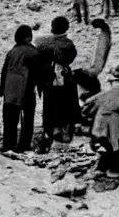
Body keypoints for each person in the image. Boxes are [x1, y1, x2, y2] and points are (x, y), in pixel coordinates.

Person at [35, 16, 79, 147]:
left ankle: (49, 135)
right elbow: (70, 59)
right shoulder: (69, 44)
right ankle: (65, 134)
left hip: (48, 79)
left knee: (49, 107)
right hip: (65, 79)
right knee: (67, 106)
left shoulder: (43, 43)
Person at [0, 25, 44, 152]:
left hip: (9, 91)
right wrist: (40, 88)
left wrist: (2, 90)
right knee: (27, 120)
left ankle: (8, 145)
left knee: (9, 120)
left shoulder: (11, 52)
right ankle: (24, 146)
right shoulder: (34, 52)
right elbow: (38, 73)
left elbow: (4, 71)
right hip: (26, 91)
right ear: (29, 37)